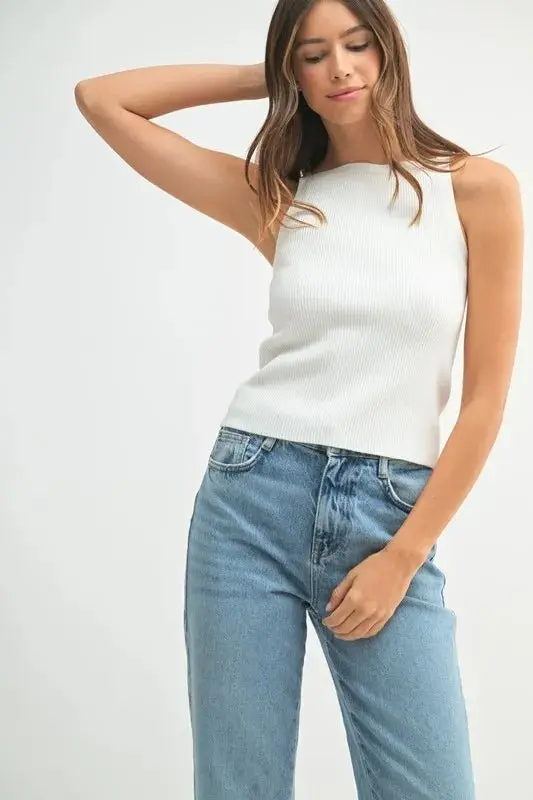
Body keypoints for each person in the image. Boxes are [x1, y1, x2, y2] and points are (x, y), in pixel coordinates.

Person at [74, 0, 523, 797]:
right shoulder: (278, 196)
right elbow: (103, 99)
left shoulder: (476, 190)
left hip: (388, 515)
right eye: (314, 55)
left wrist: (404, 554)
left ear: (388, 51)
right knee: (237, 785)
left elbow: (485, 400)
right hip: (250, 498)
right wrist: (270, 74)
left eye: (355, 45)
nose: (340, 69)